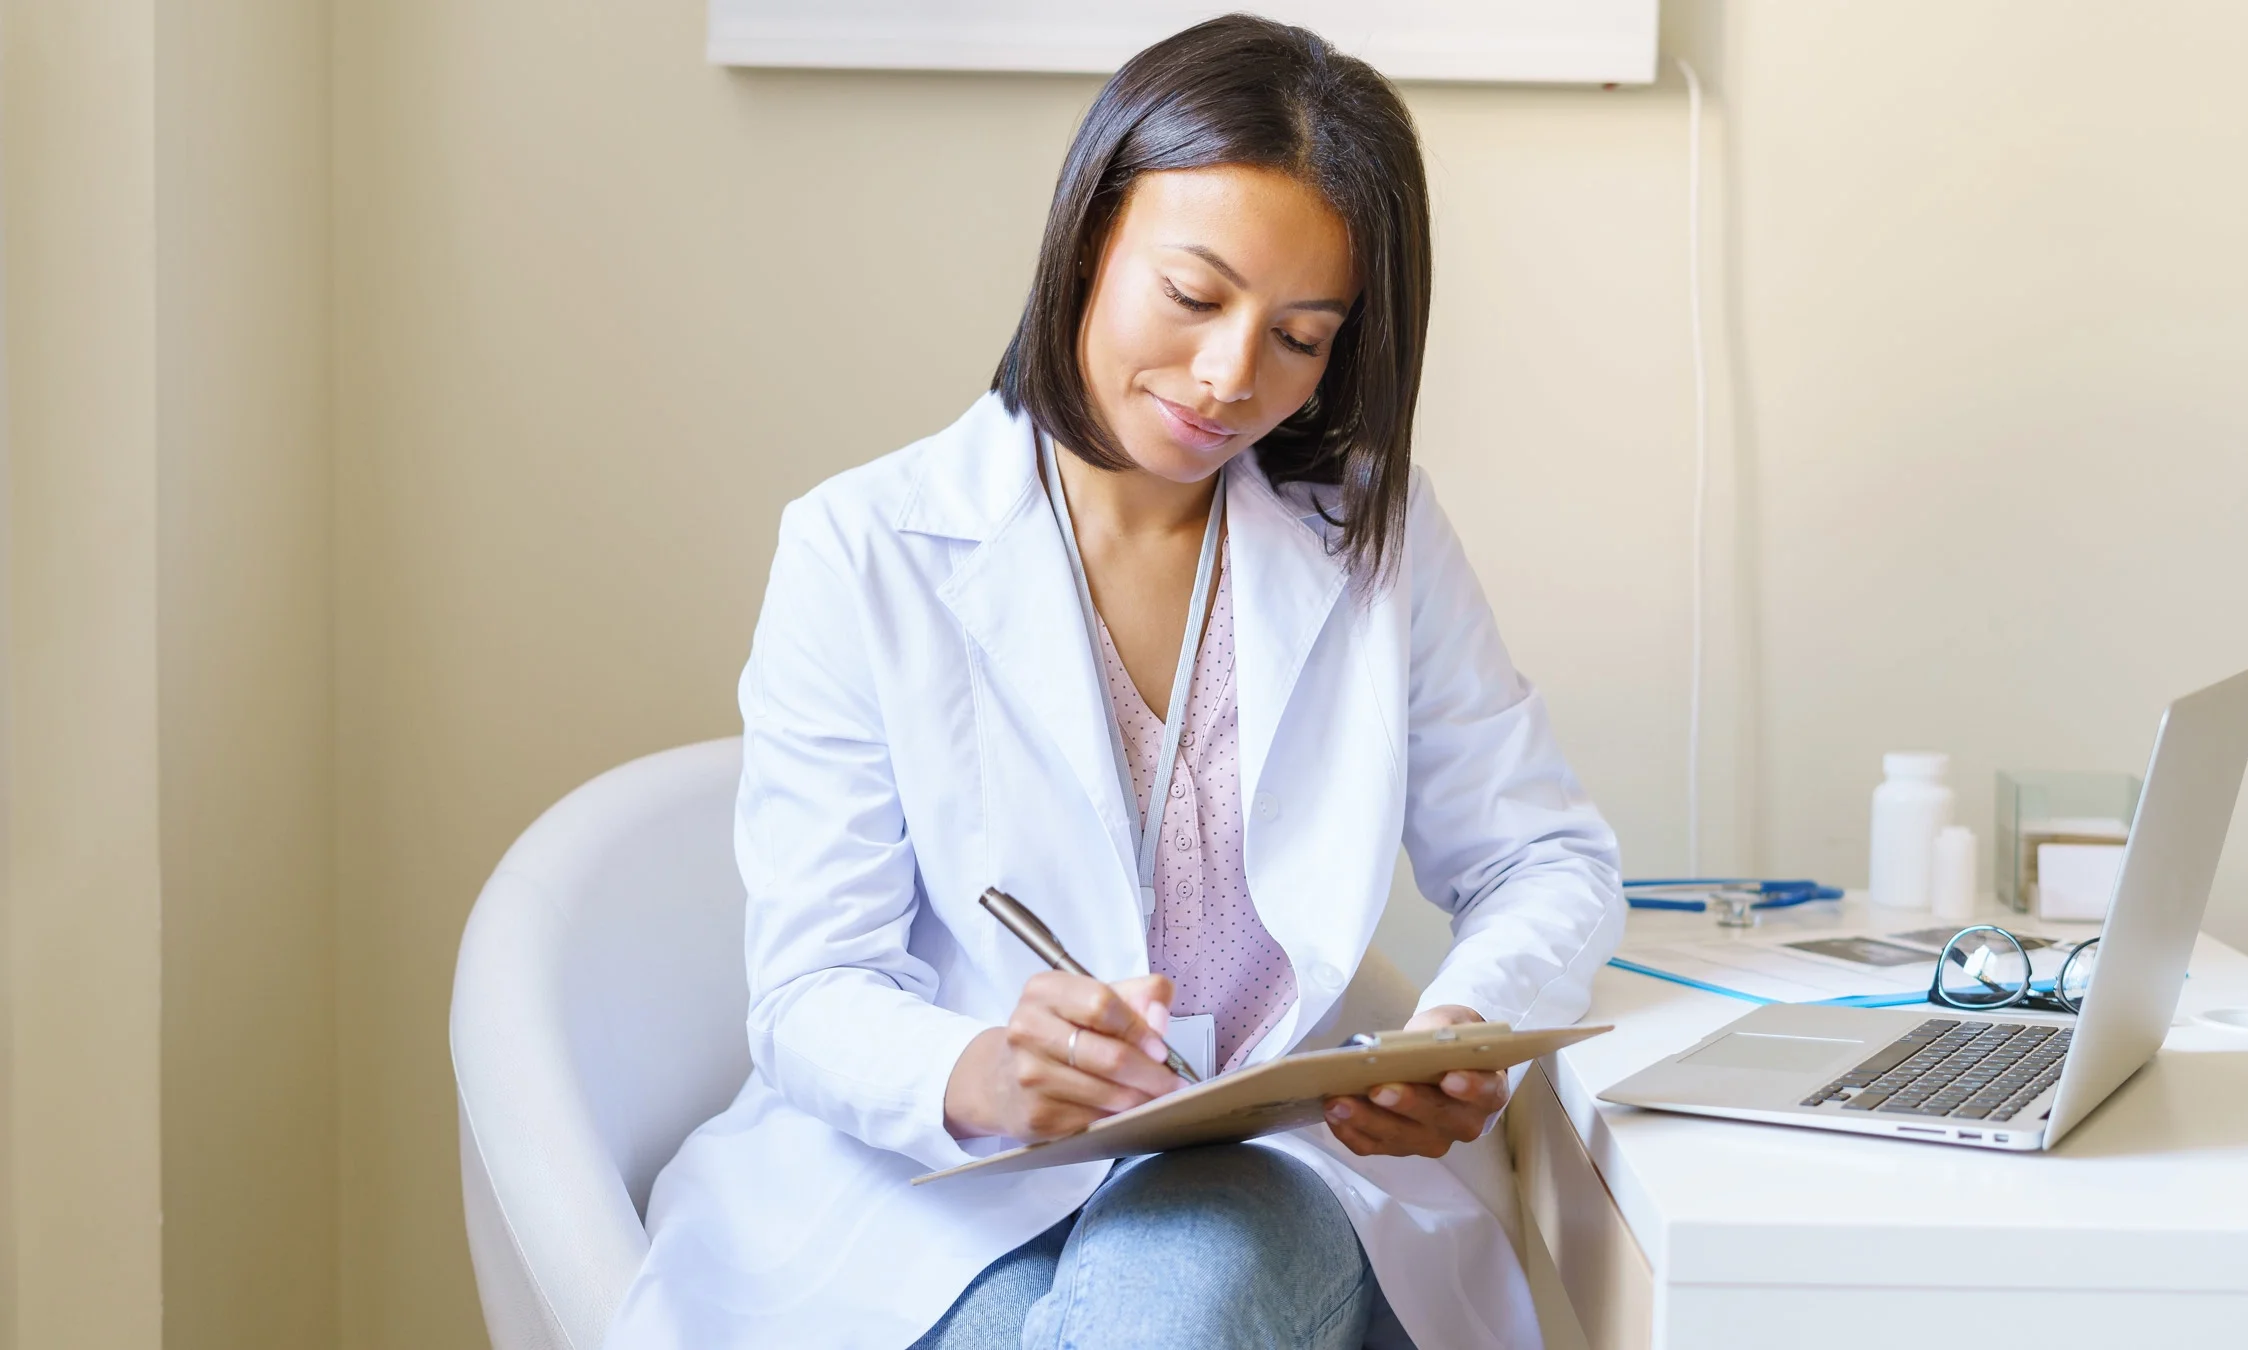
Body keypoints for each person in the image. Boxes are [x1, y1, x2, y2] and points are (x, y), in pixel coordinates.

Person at [607, 15, 1621, 1350]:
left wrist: (1466, 1024)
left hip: (1262, 1179)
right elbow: (811, 990)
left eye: (1302, 336)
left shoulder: (1376, 536)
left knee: (1178, 1300)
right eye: (1194, 297)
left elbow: (1545, 854)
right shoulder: (866, 548)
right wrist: (978, 1067)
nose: (1230, 375)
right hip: (939, 1188)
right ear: (1087, 239)